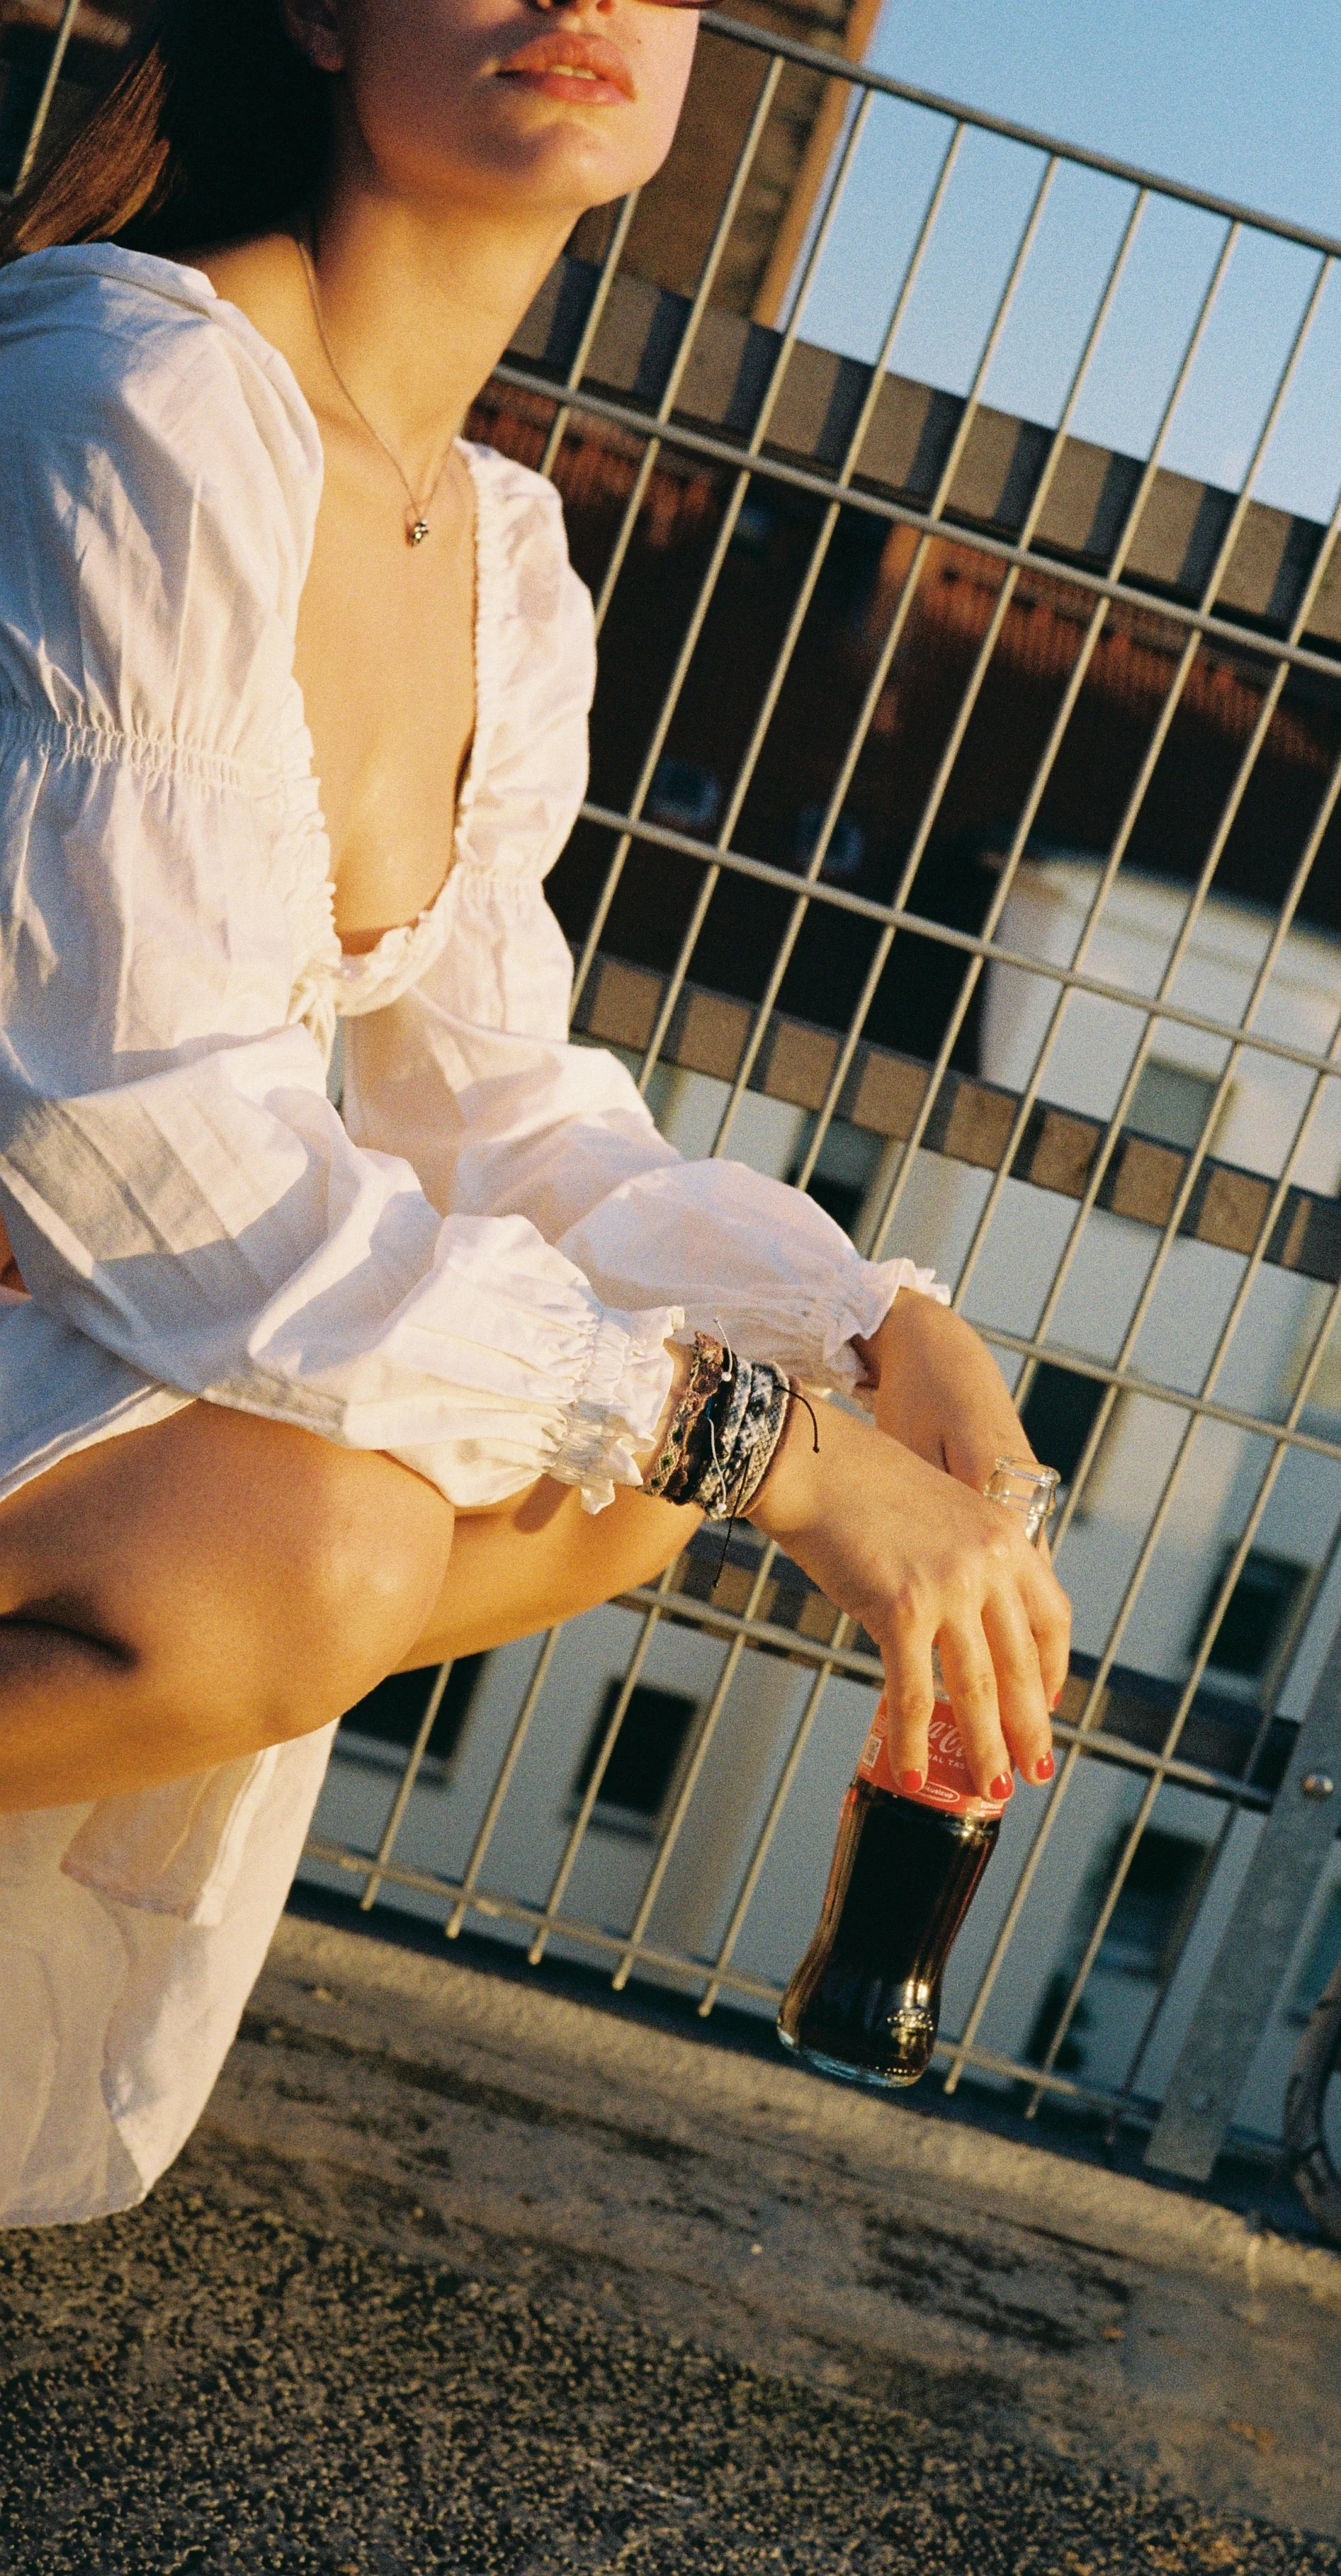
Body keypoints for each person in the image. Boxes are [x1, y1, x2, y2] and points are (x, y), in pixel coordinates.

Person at [0, 0, 1070, 2223]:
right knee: (328, 1539)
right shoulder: (140, 396)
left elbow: (497, 1115)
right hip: (83, 1231)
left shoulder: (492, 544)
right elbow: (155, 1142)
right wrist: (786, 1458)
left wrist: (873, 1332)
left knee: (639, 1476)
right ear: (319, 9)